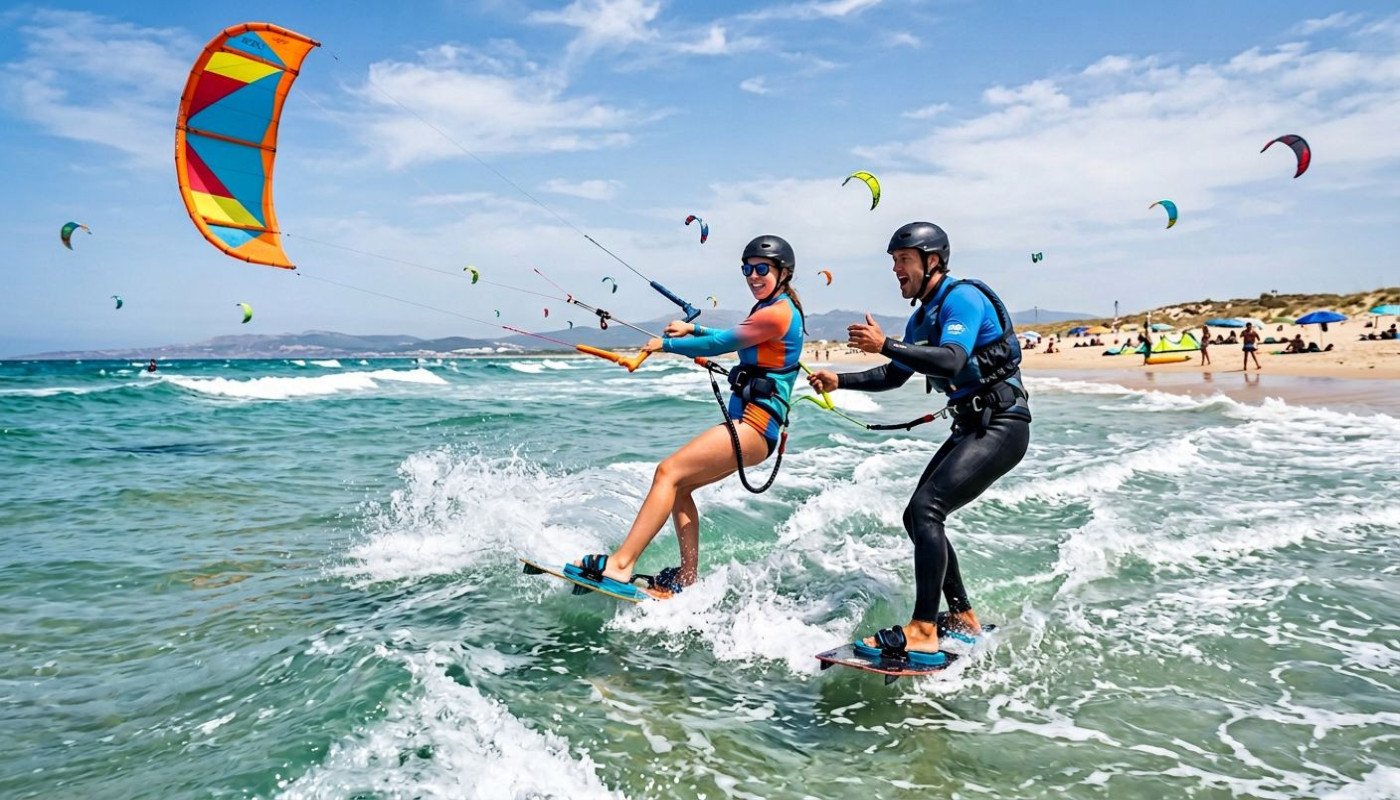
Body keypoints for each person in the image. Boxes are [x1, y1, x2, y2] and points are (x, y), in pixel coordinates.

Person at [807, 221, 1031, 663]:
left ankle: (924, 629)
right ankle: (962, 616)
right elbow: (893, 375)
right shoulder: (921, 317)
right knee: (917, 516)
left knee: (928, 509)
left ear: (933, 261)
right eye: (893, 262)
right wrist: (840, 380)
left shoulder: (961, 298)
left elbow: (952, 361)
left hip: (1003, 424)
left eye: (903, 260)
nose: (896, 270)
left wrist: (885, 343)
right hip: (973, 425)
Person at [571, 235, 806, 596]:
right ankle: (686, 577)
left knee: (667, 472)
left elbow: (722, 344)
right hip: (753, 429)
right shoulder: (770, 308)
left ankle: (620, 565)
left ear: (783, 272)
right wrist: (693, 328)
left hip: (754, 427)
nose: (753, 276)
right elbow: (732, 334)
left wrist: (665, 344)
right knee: (680, 488)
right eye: (747, 269)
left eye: (762, 269)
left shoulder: (778, 312)